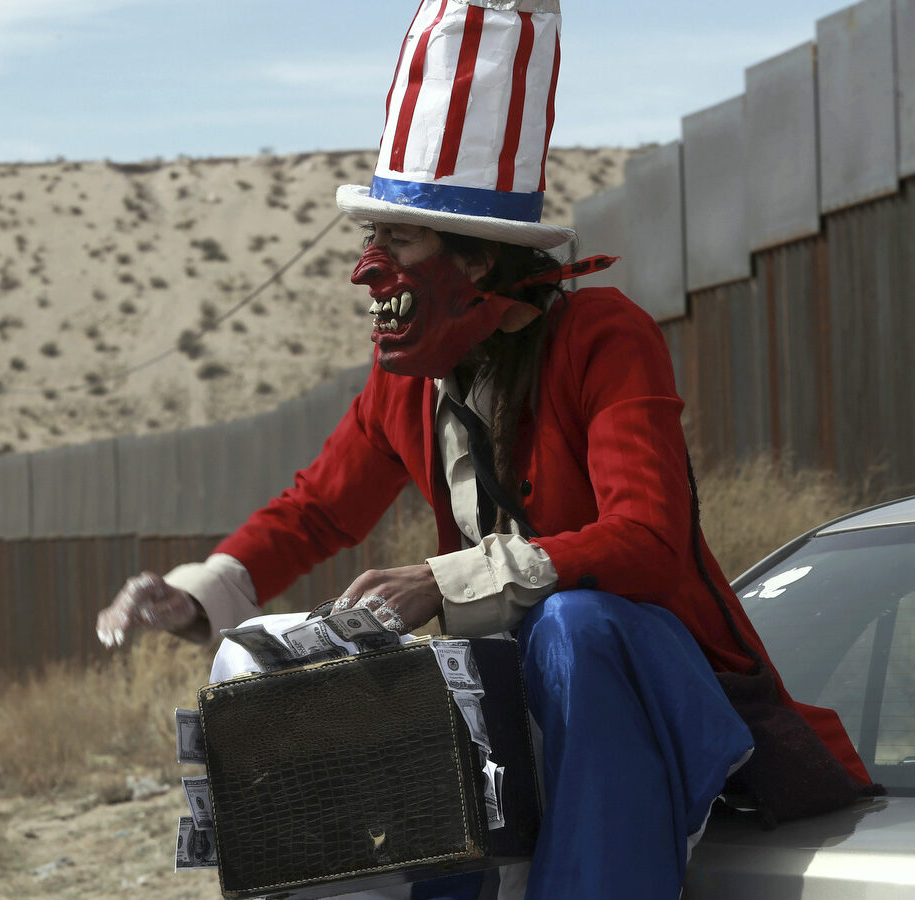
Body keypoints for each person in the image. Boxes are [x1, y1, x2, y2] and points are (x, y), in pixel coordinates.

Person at [94, 2, 873, 898]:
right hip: (513, 695)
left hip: (634, 684)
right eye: (369, 236)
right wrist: (197, 592)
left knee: (573, 626)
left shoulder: (605, 337)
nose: (368, 266)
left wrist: (445, 581)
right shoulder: (407, 381)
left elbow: (650, 538)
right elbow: (319, 507)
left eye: (399, 237)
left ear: (475, 260)